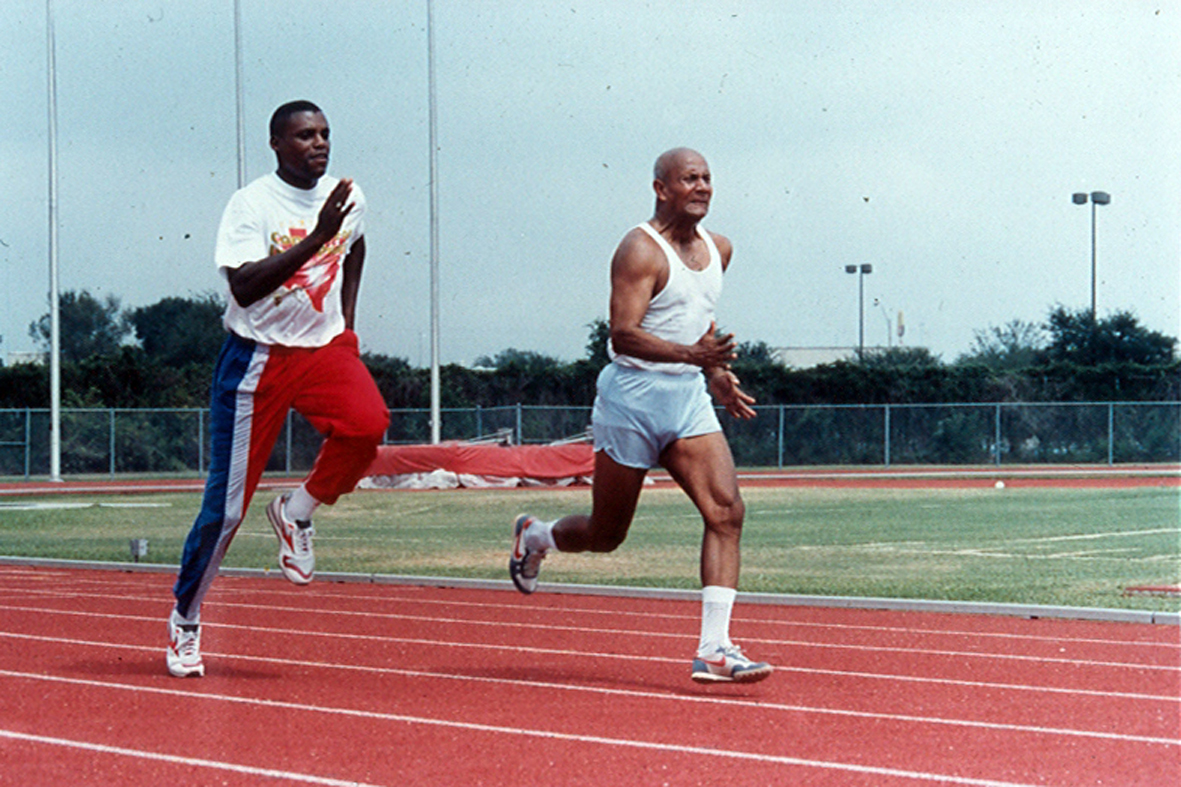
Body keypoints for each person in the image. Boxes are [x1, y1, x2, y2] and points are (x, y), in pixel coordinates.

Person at [509, 148, 771, 683]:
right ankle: (537, 535)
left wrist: (715, 373)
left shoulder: (719, 248)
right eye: (689, 179)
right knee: (608, 533)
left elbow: (696, 319)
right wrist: (695, 358)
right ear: (661, 188)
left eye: (707, 178)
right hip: (632, 398)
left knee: (727, 511)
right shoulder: (639, 249)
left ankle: (715, 649)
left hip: (686, 398)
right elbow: (623, 333)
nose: (701, 187)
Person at [166, 100, 390, 678]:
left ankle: (296, 511)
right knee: (226, 509)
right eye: (305, 136)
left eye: (325, 134)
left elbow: (356, 246)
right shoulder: (251, 204)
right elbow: (243, 286)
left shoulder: (348, 196)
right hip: (256, 360)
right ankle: (186, 620)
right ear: (276, 144)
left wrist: (348, 322)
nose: (318, 144)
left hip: (322, 350)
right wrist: (316, 238)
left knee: (368, 426)